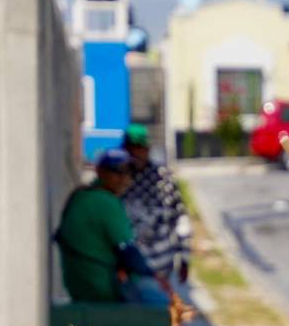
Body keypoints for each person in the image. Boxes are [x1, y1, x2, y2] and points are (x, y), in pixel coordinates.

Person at [55, 149, 172, 305]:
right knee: (165, 304)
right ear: (100, 171)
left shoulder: (82, 195)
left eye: (129, 174)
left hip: (79, 284)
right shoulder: (105, 201)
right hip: (98, 286)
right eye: (117, 172)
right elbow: (128, 252)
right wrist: (156, 278)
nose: (124, 179)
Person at [121, 124, 192, 298]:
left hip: (160, 264)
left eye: (140, 148)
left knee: (159, 314)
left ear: (148, 148)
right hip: (128, 266)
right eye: (131, 148)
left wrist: (184, 257)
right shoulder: (119, 178)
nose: (136, 153)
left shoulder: (163, 178)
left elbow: (180, 218)